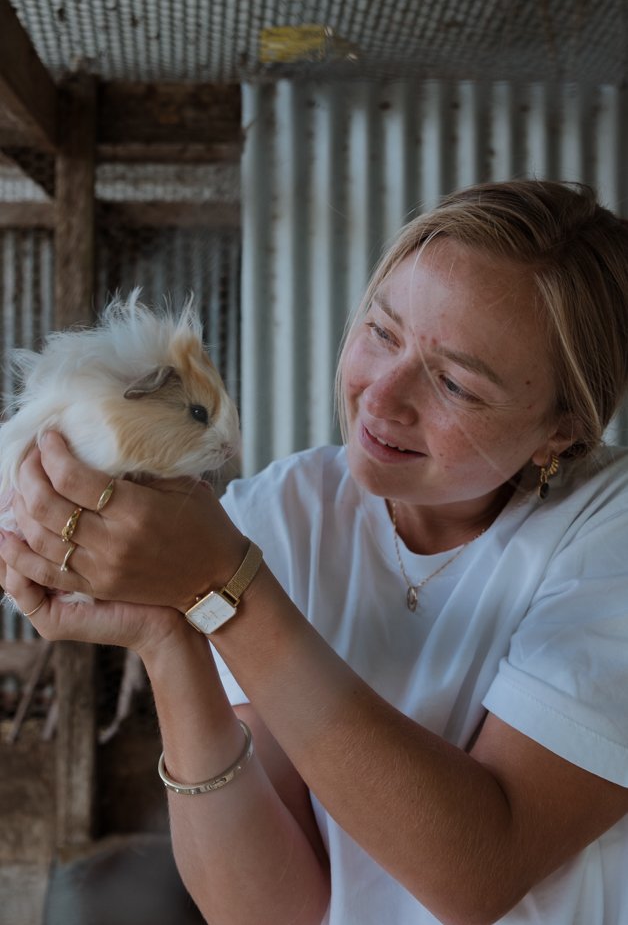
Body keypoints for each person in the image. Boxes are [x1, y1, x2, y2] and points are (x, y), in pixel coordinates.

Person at [1, 179, 628, 925]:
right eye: (383, 333)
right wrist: (168, 635)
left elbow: (475, 873)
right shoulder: (279, 515)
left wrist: (222, 586)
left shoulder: (605, 527)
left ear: (561, 430)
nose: (381, 396)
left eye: (456, 384)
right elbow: (269, 912)